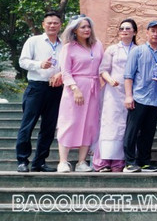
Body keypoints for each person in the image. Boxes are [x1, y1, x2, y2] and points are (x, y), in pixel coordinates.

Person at [16, 11, 63, 173]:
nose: (52, 25)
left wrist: (61, 73)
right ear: (43, 25)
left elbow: (69, 65)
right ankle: (22, 160)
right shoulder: (34, 41)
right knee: (27, 125)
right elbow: (22, 61)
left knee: (49, 128)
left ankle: (39, 162)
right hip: (36, 87)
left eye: (55, 23)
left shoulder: (64, 44)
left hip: (56, 89)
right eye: (49, 23)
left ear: (60, 25)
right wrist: (39, 64)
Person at [56, 15, 104, 172]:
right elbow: (66, 71)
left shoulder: (98, 46)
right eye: (83, 27)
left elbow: (103, 67)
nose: (86, 30)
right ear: (75, 30)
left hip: (93, 88)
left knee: (90, 124)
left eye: (88, 27)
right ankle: (63, 161)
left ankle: (81, 161)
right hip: (74, 88)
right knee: (69, 122)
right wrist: (75, 89)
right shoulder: (68, 47)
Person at [123, 20, 157, 173]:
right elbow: (128, 75)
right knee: (132, 130)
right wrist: (129, 96)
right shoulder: (137, 51)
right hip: (139, 96)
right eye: (153, 31)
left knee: (148, 132)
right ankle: (129, 162)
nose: (156, 34)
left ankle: (144, 161)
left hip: (155, 99)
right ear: (147, 32)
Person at [94, 19, 137, 173]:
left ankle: (119, 161)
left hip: (130, 93)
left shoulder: (138, 50)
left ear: (134, 32)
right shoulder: (112, 49)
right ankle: (104, 161)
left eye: (128, 28)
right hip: (113, 92)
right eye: (122, 28)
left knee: (125, 126)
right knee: (110, 124)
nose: (124, 31)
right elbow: (103, 69)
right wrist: (109, 79)